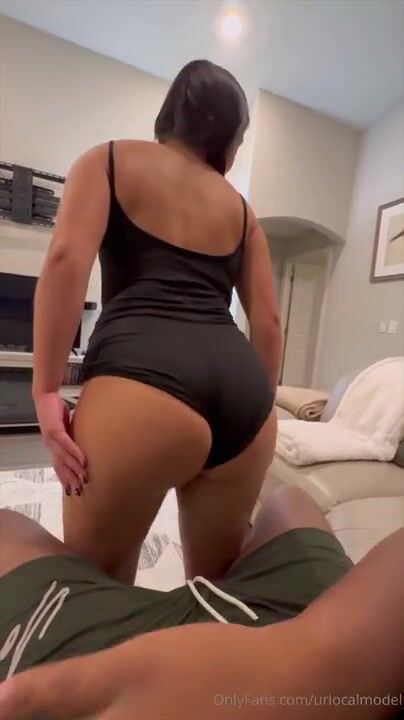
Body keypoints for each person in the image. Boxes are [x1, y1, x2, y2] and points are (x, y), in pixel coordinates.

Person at [32, 59, 282, 584]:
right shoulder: (243, 212)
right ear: (229, 138)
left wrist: (46, 389)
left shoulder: (108, 160)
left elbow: (66, 261)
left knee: (98, 594)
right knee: (213, 591)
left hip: (142, 384)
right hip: (243, 396)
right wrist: (258, 409)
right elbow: (268, 321)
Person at [0, 486, 403, 719]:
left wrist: (45, 395)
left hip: (74, 659)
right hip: (343, 633)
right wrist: (307, 676)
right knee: (289, 499)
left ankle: (115, 590)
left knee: (7, 526)